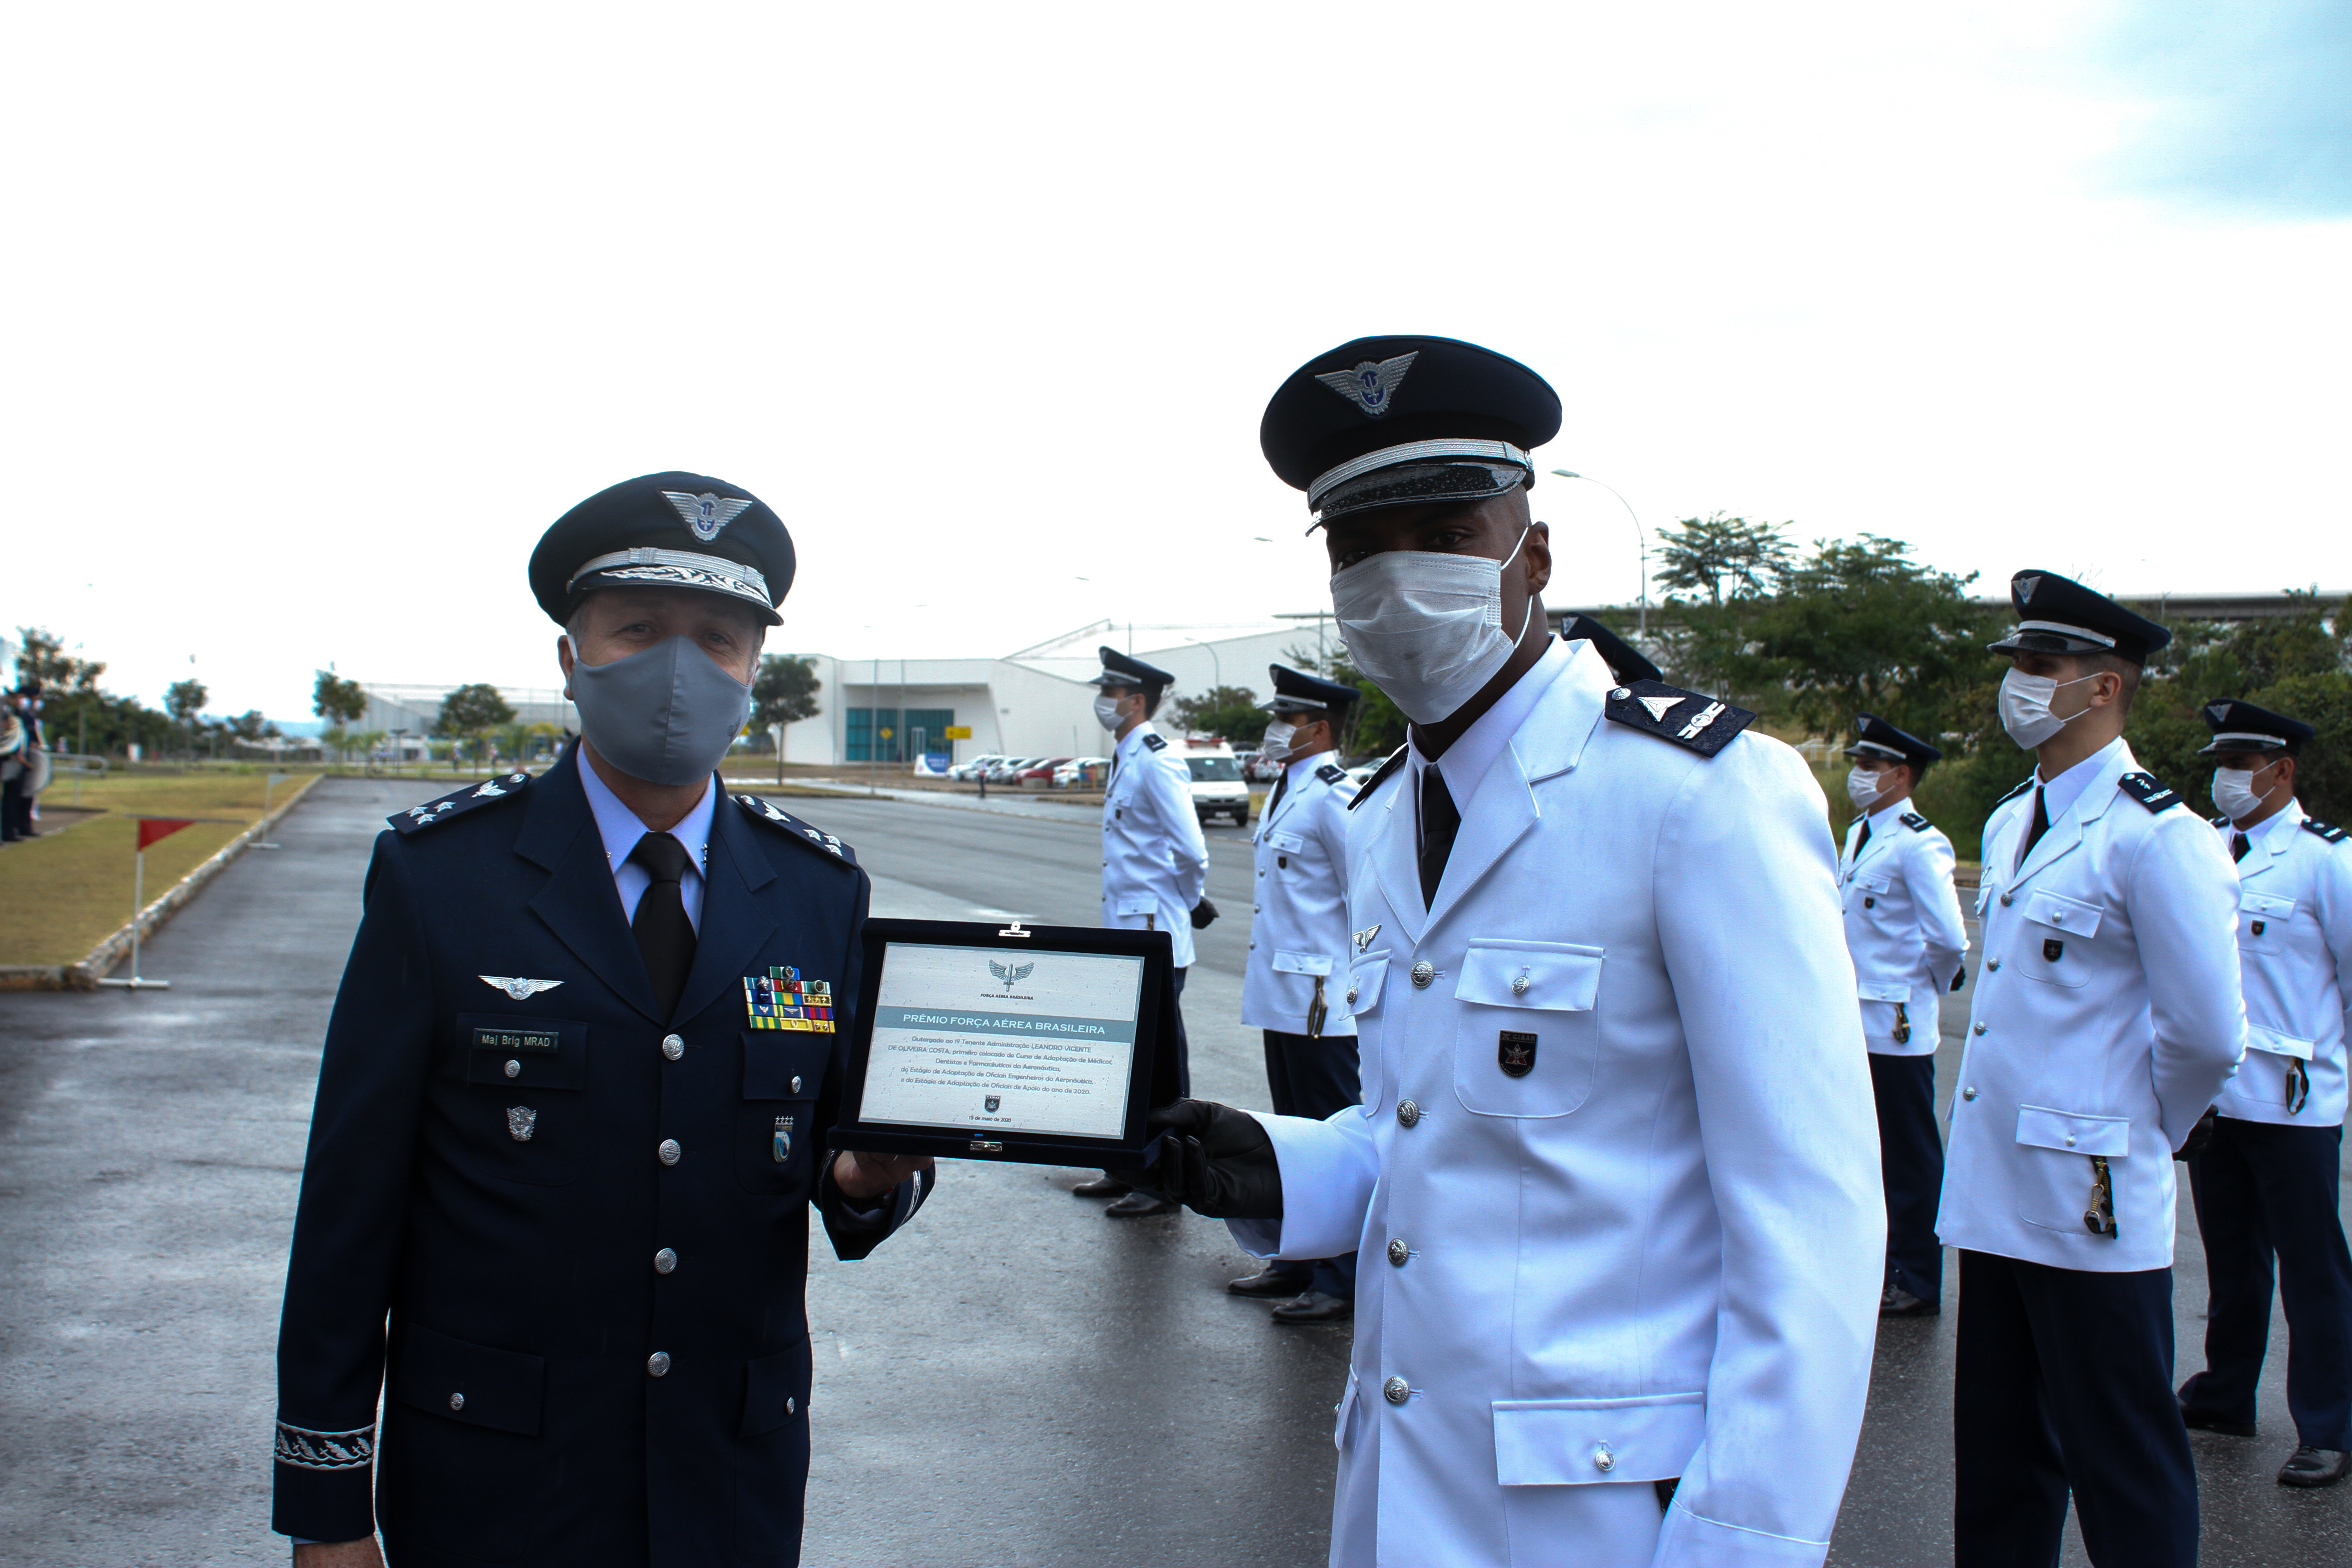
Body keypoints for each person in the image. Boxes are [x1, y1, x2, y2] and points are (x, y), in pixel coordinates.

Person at [1151, 334, 1884, 1568]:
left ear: (1532, 554)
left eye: (1445, 536)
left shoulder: (1696, 794)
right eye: (1359, 550)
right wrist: (1278, 1169)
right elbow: (1429, 1134)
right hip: (1401, 1488)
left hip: (1604, 1512)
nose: (1398, 581)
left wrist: (1743, 1540)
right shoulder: (1385, 812)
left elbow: (1810, 1214)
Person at [271, 472, 936, 1568]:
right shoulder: (442, 877)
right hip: (494, 1477)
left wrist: (867, 1180)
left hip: (729, 1477)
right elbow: (350, 1208)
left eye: (717, 637)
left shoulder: (817, 889)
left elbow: (843, 1164)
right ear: (571, 657)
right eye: (638, 628)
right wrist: (327, 1503)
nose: (679, 667)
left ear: (752, 669)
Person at [1936, 570, 2246, 1568]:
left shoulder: (2161, 838)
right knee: (1999, 1455)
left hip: (2092, 1200)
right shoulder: (2007, 818)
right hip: (1996, 1191)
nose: (2019, 684)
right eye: (2018, 663)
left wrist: (2138, 1128)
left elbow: (2206, 1037)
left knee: (2122, 1458)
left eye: (2040, 666)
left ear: (2104, 687)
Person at [2176, 698, 2352, 1489]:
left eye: (2239, 765)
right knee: (2229, 1259)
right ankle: (2223, 1393)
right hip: (2218, 1097)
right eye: (2219, 763)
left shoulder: (2326, 860)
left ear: (2281, 771)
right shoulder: (2206, 849)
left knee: (2312, 1268)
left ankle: (2327, 1426)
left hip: (2294, 1101)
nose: (2224, 779)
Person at [1230, 663, 1362, 1322]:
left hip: (1322, 1000)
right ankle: (1301, 1257)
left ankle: (1341, 1278)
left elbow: (1368, 896)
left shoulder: (1335, 797)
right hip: (1284, 992)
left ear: (1319, 728)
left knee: (1332, 1133)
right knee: (1294, 1134)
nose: (1276, 728)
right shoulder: (1289, 789)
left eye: (1288, 718)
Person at [1073, 646, 1213, 1217]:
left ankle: (1163, 1182)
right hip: (1130, 927)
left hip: (1153, 927)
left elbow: (1192, 850)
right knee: (1130, 1054)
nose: (1102, 702)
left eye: (1110, 693)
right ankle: (1127, 1165)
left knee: (1158, 1064)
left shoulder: (1156, 759)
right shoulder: (1127, 753)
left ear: (1135, 701)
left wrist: (1182, 901)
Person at [1838, 713, 1968, 1317]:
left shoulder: (1919, 842)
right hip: (1854, 1018)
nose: (1859, 776)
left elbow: (1947, 939)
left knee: (1909, 1157)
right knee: (1868, 1150)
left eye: (1870, 767)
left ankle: (1917, 1275)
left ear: (1901, 774)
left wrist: (1922, 995)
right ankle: (1882, 1264)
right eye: (1858, 764)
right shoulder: (1862, 833)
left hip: (1896, 1025)